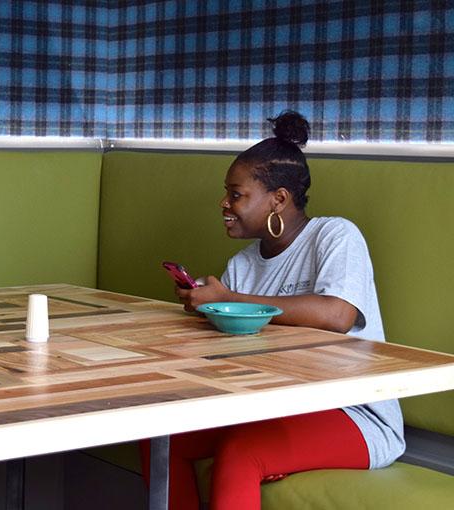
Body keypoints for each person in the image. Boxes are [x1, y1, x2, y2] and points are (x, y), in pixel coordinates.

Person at [140, 111, 404, 510]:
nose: (224, 203)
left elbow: (338, 315)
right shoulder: (242, 266)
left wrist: (229, 300)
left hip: (355, 415)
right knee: (160, 438)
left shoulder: (335, 236)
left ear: (278, 199)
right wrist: (208, 312)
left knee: (242, 452)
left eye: (236, 194)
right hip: (272, 407)